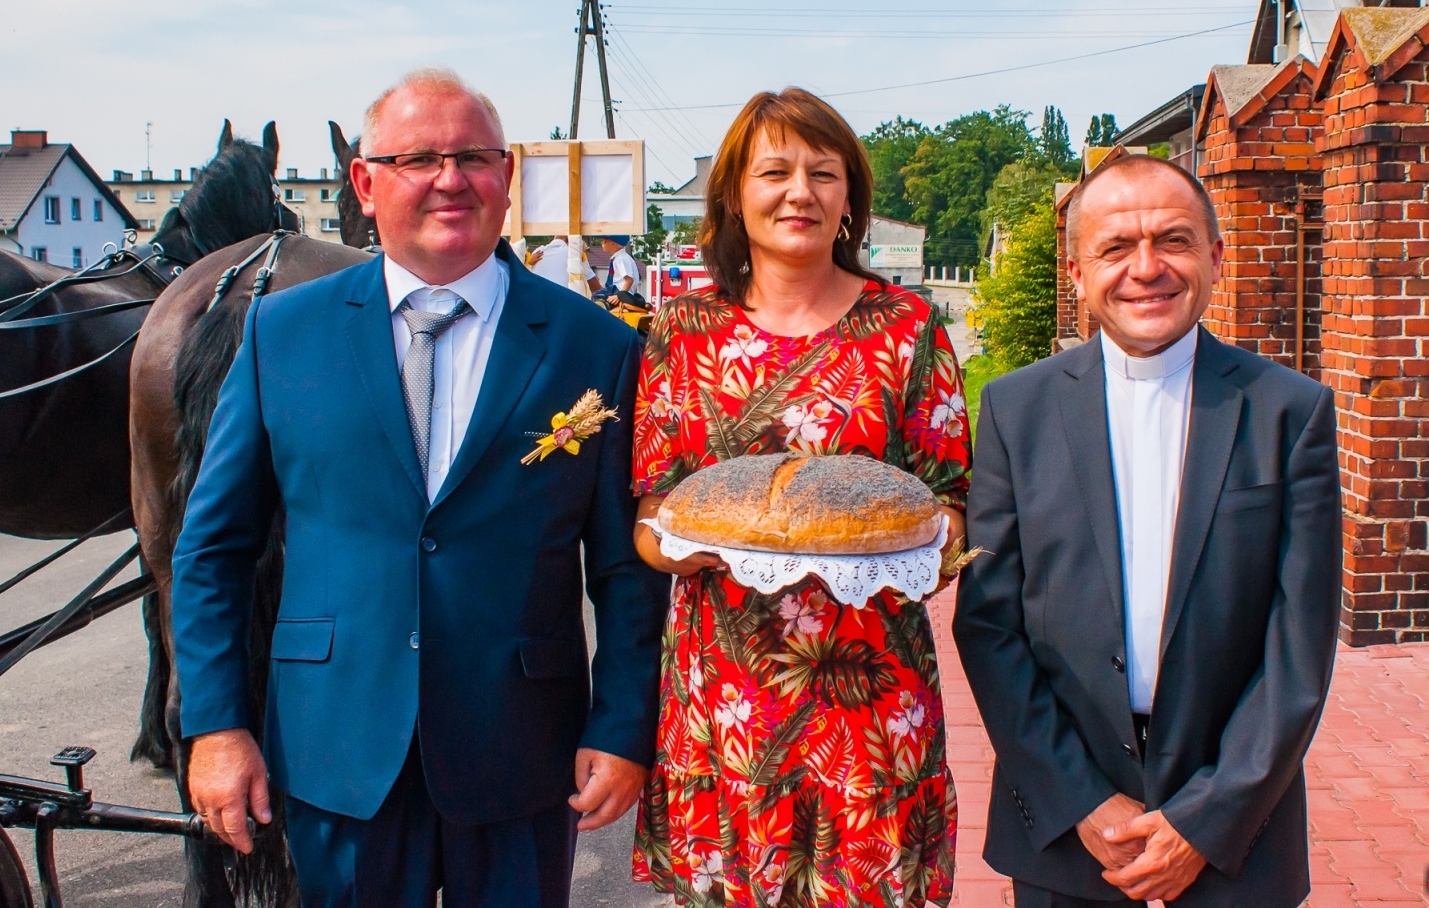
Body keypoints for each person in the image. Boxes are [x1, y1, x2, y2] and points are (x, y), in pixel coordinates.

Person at [171, 67, 671, 907]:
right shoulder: (281, 334)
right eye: (418, 159)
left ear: (506, 177)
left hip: (520, 750)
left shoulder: (594, 346)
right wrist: (216, 725)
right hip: (339, 747)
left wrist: (622, 726)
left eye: (473, 156)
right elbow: (214, 549)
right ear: (365, 183)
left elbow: (624, 569)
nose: (450, 179)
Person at [954, 154, 1342, 908]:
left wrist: (1205, 821)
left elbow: (1299, 647)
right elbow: (990, 624)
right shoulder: (1014, 412)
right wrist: (1081, 801)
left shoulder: (1289, 413)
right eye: (1116, 248)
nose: (1147, 269)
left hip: (1237, 832)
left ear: (1215, 257)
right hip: (1069, 824)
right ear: (1077, 272)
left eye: (1173, 240)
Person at [629, 87, 970, 908]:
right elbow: (649, 514)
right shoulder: (682, 330)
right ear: (735, 195)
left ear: (849, 196)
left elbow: (951, 511)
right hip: (725, 701)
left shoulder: (907, 327)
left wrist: (899, 543)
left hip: (870, 697)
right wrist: (695, 543)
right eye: (773, 171)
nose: (800, 192)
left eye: (824, 173)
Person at [524, 234, 598, 292]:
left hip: (539, 301)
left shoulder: (537, 252)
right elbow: (592, 283)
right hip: (564, 302)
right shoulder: (574, 253)